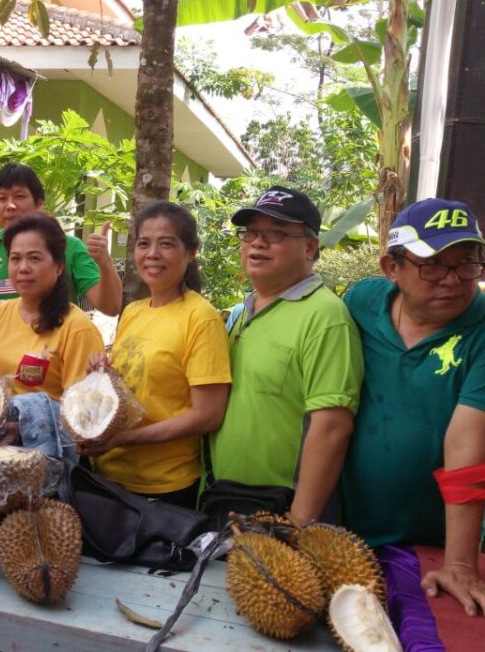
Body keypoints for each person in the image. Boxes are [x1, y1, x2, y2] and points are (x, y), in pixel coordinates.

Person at [341, 198, 485, 616]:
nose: (453, 280)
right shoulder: (361, 303)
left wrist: (460, 563)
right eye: (434, 264)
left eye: (468, 263)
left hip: (437, 546)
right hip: (353, 532)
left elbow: (467, 442)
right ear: (391, 268)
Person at [210, 186, 363, 526]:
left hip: (282, 510)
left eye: (276, 233)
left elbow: (332, 427)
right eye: (251, 232)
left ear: (310, 247)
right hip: (227, 500)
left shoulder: (326, 316)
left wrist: (298, 522)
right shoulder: (241, 312)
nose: (257, 243)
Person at [81, 202, 231, 507]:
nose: (152, 254)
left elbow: (208, 415)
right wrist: (100, 370)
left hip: (164, 488)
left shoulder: (201, 318)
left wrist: (125, 439)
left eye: (166, 244)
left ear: (191, 253)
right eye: (144, 243)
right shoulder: (134, 311)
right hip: (108, 474)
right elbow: (130, 385)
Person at [0, 213, 103, 402]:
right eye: (15, 259)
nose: (23, 268)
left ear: (59, 267)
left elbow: (82, 412)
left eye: (34, 258)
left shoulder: (77, 329)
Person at [0, 163, 121, 322]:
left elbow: (110, 307)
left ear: (39, 204)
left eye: (19, 196)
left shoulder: (69, 247)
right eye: (2, 198)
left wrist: (104, 262)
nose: (10, 206)